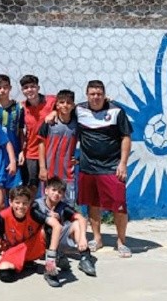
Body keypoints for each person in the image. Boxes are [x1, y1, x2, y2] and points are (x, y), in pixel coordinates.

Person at [76, 80, 133, 258]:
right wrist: (53, 113)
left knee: (119, 205)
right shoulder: (78, 110)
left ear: (104, 95)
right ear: (87, 95)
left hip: (112, 167)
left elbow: (126, 137)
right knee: (93, 204)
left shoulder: (116, 111)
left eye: (99, 94)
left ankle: (121, 242)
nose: (96, 97)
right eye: (92, 94)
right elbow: (60, 108)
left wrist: (123, 163)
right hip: (88, 167)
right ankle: (97, 238)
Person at [30, 177, 96, 287]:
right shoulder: (37, 205)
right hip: (39, 242)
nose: (56, 194)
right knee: (47, 227)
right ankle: (50, 267)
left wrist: (83, 238)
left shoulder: (62, 207)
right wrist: (48, 217)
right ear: (46, 191)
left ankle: (85, 257)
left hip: (56, 240)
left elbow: (82, 219)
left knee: (77, 224)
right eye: (53, 190)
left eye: (60, 192)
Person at [0, 186, 44, 283]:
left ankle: (56, 259)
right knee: (5, 274)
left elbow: (54, 225)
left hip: (32, 248)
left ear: (29, 203)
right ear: (10, 202)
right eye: (17, 202)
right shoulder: (3, 216)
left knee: (47, 229)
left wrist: (52, 256)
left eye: (24, 203)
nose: (21, 206)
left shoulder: (33, 212)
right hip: (14, 251)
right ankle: (24, 263)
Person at [18, 74, 57, 199]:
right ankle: (30, 210)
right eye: (26, 87)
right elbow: (21, 131)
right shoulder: (22, 107)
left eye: (32, 86)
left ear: (38, 88)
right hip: (32, 152)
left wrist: (54, 112)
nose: (29, 90)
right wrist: (21, 150)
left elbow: (69, 106)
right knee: (31, 187)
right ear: (22, 90)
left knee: (52, 187)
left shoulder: (52, 101)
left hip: (51, 151)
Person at [38, 89, 78, 204]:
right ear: (57, 105)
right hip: (50, 172)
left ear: (73, 105)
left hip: (68, 174)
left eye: (69, 102)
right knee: (48, 205)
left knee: (68, 205)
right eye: (62, 102)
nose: (65, 105)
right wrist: (42, 168)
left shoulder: (77, 124)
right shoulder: (49, 122)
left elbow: (88, 142)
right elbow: (41, 144)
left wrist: (79, 159)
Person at [0, 74, 23, 153]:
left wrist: (22, 151)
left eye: (5, 87)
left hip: (15, 149)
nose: (2, 90)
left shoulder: (18, 108)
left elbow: (21, 131)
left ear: (10, 88)